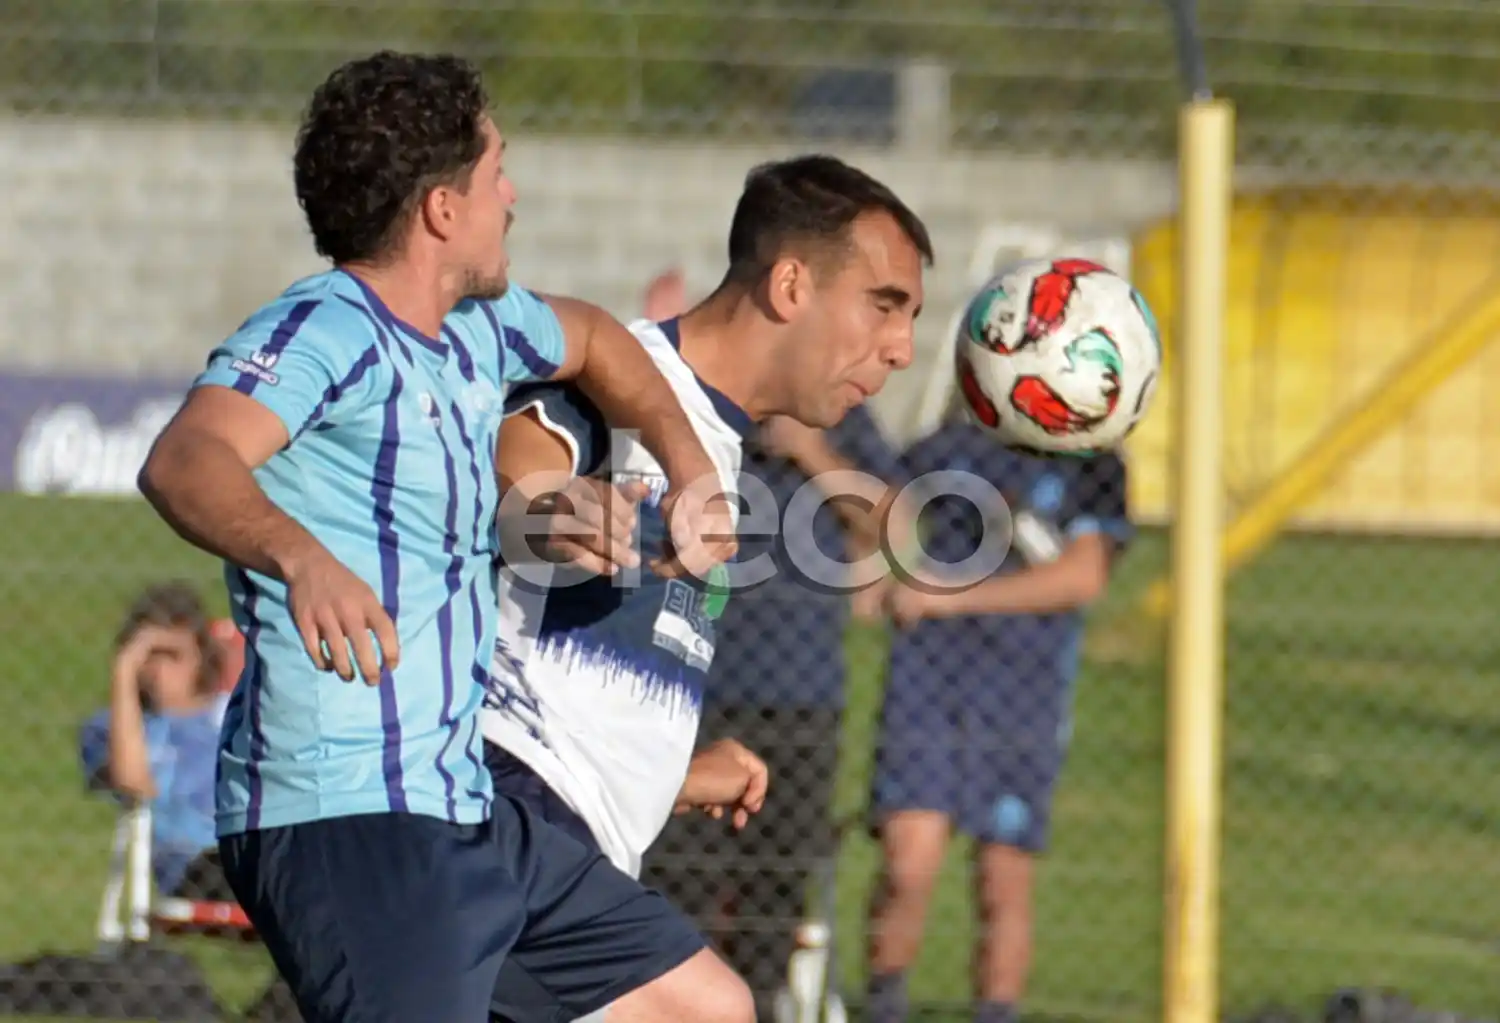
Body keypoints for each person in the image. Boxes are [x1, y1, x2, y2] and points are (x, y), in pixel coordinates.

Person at [138, 50, 743, 1023]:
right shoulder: (323, 330)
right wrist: (301, 558)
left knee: (699, 1006)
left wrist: (690, 469)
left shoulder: (480, 328)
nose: (515, 191)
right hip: (347, 819)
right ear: (442, 209)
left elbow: (591, 334)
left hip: (465, 809)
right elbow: (186, 458)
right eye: (496, 168)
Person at [482, 155, 933, 1021]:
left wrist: (670, 774)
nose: (903, 348)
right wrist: (543, 510)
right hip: (508, 817)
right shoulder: (625, 377)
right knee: (713, 1009)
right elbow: (523, 467)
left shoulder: (719, 445)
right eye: (885, 304)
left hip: (577, 839)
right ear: (792, 283)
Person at [862, 411, 1133, 1023]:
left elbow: (1082, 577)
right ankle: (882, 1005)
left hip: (1024, 690)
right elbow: (883, 511)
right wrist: (873, 569)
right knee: (910, 859)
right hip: (930, 676)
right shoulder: (959, 443)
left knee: (1002, 880)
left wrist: (948, 596)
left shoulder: (1096, 466)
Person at [640, 405, 906, 1014]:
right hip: (695, 690)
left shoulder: (836, 410)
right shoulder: (698, 400)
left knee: (778, 881)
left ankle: (761, 1001)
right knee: (680, 877)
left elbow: (894, 525)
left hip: (800, 696)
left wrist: (811, 450)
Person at [79, 581, 233, 900]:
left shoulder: (235, 714)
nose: (158, 669)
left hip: (257, 850)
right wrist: (123, 672)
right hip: (197, 868)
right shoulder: (111, 728)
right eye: (148, 656)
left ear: (201, 657)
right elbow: (133, 783)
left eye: (172, 655)